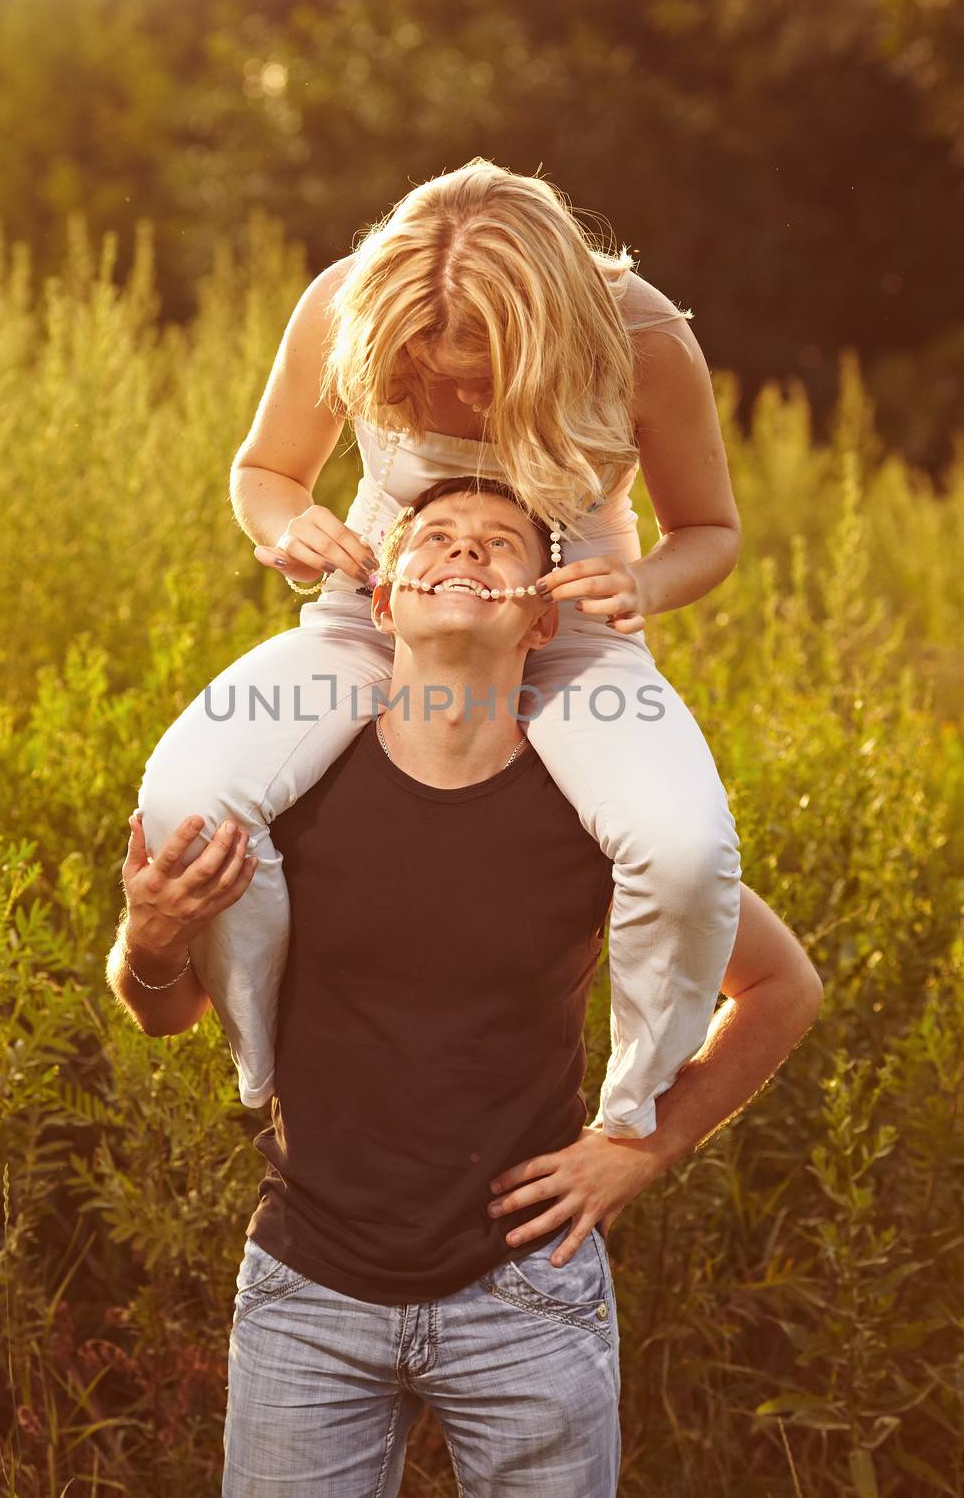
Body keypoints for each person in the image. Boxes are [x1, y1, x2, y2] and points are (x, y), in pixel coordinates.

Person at [108, 480, 823, 1498]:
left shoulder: (594, 818)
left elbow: (781, 986)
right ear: (385, 603)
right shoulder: (286, 803)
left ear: (540, 618)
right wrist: (149, 937)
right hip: (307, 1291)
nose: (463, 550)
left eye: (499, 543)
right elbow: (161, 1010)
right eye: (434, 536)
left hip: (527, 1300)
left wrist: (644, 1146)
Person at [135, 158, 747, 1148]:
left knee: (684, 853)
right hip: (377, 606)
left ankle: (629, 1115)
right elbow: (264, 472)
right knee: (184, 807)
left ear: (547, 332)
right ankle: (262, 1062)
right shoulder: (344, 302)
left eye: (474, 380)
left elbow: (708, 532)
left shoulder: (642, 339)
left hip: (571, 626)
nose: (446, 403)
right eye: (417, 377)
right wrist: (294, 526)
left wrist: (641, 584)